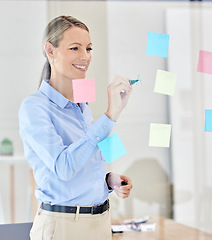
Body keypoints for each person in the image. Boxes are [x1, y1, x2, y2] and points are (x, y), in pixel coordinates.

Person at [19, 15, 133, 240]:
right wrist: (110, 115)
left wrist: (107, 180)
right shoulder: (34, 107)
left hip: (100, 222)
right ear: (50, 51)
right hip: (62, 227)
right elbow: (64, 167)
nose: (85, 57)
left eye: (89, 48)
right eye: (75, 48)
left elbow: (83, 161)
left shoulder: (83, 105)